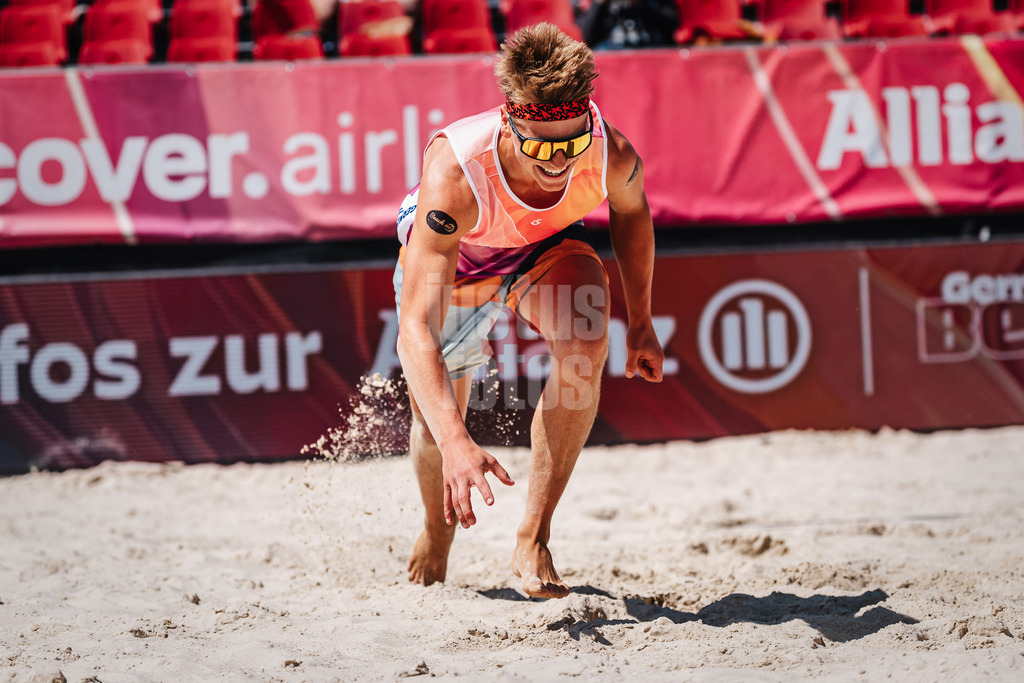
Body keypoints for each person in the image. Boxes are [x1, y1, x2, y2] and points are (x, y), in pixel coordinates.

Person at [393, 22, 664, 599]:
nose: (558, 161)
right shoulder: (456, 170)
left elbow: (633, 214)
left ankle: (534, 536)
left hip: (541, 247)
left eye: (571, 144)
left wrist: (640, 320)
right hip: (462, 257)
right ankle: (436, 535)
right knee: (437, 421)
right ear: (512, 123)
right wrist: (457, 439)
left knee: (588, 340)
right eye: (543, 146)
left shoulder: (608, 150)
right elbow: (412, 330)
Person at [580, 0, 679, 50]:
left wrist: (640, 5)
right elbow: (588, 38)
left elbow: (672, 25)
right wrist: (599, 4)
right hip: (612, 55)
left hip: (651, 50)